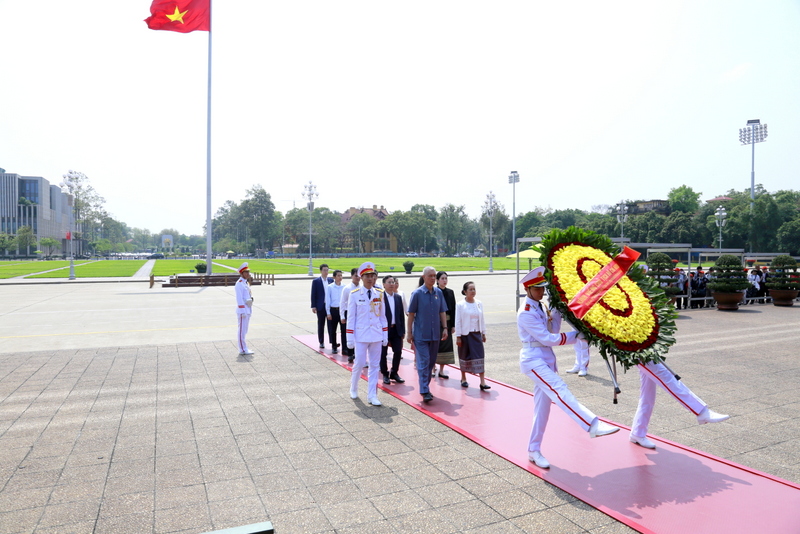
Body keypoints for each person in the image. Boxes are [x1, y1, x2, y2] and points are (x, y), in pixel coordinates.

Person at [518, 267, 619, 469]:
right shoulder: (526, 312)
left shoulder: (539, 306)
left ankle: (533, 450)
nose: (542, 292)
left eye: (543, 288)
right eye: (537, 289)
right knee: (560, 389)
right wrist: (576, 336)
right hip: (533, 359)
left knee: (542, 410)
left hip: (545, 358)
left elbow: (553, 329)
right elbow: (548, 338)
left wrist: (557, 310)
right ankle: (592, 424)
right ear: (528, 289)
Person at [629, 364, 730, 449]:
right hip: (633, 346)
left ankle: (638, 432)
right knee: (666, 376)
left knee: (647, 394)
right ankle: (701, 411)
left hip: (641, 346)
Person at [346, 262, 388, 406]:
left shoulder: (380, 294)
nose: (371, 279)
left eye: (373, 276)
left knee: (375, 366)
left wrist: (385, 335)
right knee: (359, 363)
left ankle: (372, 395)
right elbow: (351, 318)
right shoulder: (355, 295)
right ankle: (353, 387)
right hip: (361, 335)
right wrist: (349, 338)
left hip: (376, 334)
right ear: (361, 277)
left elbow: (383, 317)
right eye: (367, 276)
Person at [406, 266, 448, 403]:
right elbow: (411, 314)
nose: (432, 278)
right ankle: (424, 390)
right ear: (423, 277)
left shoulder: (438, 293)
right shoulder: (417, 294)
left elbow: (442, 311)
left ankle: (426, 387)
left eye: (434, 276)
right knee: (423, 362)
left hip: (435, 334)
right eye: (430, 276)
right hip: (420, 335)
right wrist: (409, 333)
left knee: (430, 363)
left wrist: (445, 328)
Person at [455, 281, 489, 390]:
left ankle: (482, 382)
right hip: (465, 334)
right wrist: (458, 336)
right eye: (470, 289)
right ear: (465, 292)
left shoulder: (479, 303)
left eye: (474, 289)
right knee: (464, 356)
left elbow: (482, 318)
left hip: (476, 334)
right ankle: (463, 378)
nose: (473, 291)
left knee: (479, 356)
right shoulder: (460, 305)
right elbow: (458, 321)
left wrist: (483, 333)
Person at [380, 275, 406, 385]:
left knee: (398, 351)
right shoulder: (380, 297)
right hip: (384, 330)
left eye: (393, 282)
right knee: (383, 353)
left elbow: (401, 315)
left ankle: (394, 372)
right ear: (384, 284)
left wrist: (403, 330)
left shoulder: (398, 297)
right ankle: (385, 374)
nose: (392, 284)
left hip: (396, 329)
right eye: (389, 282)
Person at [435, 271, 456, 379]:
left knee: (446, 346)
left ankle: (442, 370)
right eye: (442, 278)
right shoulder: (434, 292)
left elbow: (453, 309)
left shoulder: (450, 292)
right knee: (434, 345)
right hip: (435, 322)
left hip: (447, 323)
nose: (444, 281)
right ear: (437, 280)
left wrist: (452, 325)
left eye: (446, 278)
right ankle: (433, 367)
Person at [311, 264, 332, 349]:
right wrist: (313, 306)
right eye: (324, 270)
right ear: (320, 271)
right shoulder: (316, 281)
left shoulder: (331, 280)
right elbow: (313, 294)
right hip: (320, 306)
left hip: (330, 307)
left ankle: (332, 341)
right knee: (321, 325)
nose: (326, 272)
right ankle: (321, 341)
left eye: (327, 270)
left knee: (331, 325)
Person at [235, 262, 254, 356]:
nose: (248, 274)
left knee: (245, 330)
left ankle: (244, 347)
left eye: (248, 272)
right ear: (241, 273)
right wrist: (242, 311)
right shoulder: (239, 284)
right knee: (241, 331)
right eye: (246, 272)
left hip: (248, 309)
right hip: (243, 310)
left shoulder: (245, 283)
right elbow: (239, 299)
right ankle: (242, 349)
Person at [325, 269, 345, 354]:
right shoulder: (330, 287)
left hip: (342, 310)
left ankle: (345, 348)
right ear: (334, 277)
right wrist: (328, 312)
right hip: (333, 310)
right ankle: (334, 346)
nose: (340, 277)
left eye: (341, 275)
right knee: (333, 330)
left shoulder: (344, 287)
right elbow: (327, 300)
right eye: (338, 276)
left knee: (344, 330)